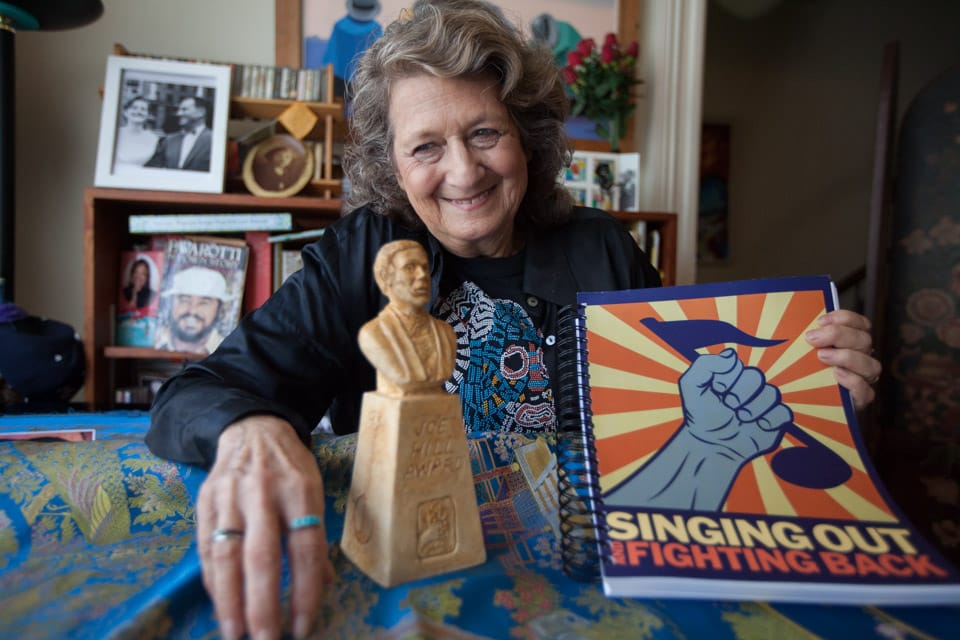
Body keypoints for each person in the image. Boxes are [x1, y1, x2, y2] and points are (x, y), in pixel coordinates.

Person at [146, 1, 882, 638]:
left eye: (484, 134)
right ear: (393, 167)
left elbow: (684, 423)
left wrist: (812, 391)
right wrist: (253, 428)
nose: (463, 173)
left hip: (584, 577)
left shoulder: (603, 250)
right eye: (427, 147)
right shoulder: (363, 252)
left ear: (526, 137)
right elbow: (201, 392)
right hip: (411, 575)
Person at [358, 240, 456, 396]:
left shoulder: (445, 333)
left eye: (424, 267)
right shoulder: (373, 334)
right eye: (410, 268)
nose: (422, 275)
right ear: (385, 277)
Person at [153, 267, 230, 355]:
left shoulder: (228, 349)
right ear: (170, 304)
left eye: (204, 303)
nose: (192, 311)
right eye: (184, 300)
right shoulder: (152, 340)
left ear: (219, 309)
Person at [145, 96, 212, 171]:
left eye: (184, 109)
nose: (178, 113)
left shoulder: (214, 141)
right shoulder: (169, 140)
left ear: (201, 112)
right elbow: (153, 168)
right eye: (179, 110)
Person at [113, 95, 161, 168]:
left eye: (143, 109)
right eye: (134, 108)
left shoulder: (154, 139)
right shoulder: (115, 134)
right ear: (125, 112)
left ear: (148, 115)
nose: (138, 112)